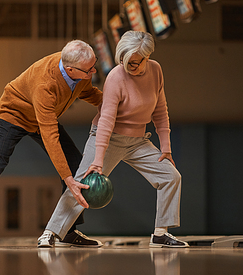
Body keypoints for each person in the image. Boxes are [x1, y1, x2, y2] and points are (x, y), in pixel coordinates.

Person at [0, 40, 103, 248]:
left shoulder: (80, 69)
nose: (94, 71)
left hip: (41, 117)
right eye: (89, 69)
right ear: (71, 69)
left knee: (76, 164)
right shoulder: (45, 84)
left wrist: (114, 103)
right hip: (13, 116)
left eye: (94, 64)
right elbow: (49, 135)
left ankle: (67, 231)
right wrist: (68, 180)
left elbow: (88, 91)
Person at [38, 31, 189, 248]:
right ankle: (51, 232)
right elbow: (107, 119)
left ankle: (160, 233)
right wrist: (98, 161)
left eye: (134, 62)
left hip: (138, 141)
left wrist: (166, 147)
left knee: (171, 176)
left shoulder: (156, 70)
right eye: (123, 60)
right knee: (82, 183)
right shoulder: (116, 76)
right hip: (108, 138)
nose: (128, 66)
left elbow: (160, 110)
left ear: (147, 57)